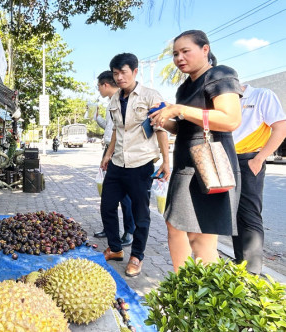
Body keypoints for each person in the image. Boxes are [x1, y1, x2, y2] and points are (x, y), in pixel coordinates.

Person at [150, 30, 242, 272]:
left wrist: (179, 108)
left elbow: (230, 120)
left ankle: (203, 298)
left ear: (205, 50)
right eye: (175, 54)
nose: (179, 58)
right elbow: (185, 129)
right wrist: (163, 121)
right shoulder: (184, 88)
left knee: (201, 238)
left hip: (209, 165)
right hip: (185, 166)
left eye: (185, 51)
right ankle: (181, 287)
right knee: (175, 227)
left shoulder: (220, 75)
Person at [101, 53, 170, 277]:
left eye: (123, 72)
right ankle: (116, 248)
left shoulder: (151, 96)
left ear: (135, 72)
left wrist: (166, 161)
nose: (119, 77)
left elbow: (160, 130)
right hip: (117, 163)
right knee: (107, 207)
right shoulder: (114, 99)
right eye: (115, 73)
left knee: (141, 214)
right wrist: (108, 155)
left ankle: (136, 256)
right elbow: (116, 131)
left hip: (141, 164)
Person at [232, 85, 286, 274]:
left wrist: (259, 158)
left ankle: (252, 274)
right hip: (226, 160)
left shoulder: (261, 95)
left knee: (249, 215)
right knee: (234, 216)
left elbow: (281, 127)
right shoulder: (224, 99)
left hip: (249, 160)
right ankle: (240, 267)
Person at [94, 70, 134, 247]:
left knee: (124, 196)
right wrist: (96, 118)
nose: (99, 91)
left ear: (105, 85)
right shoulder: (112, 102)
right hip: (110, 151)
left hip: (119, 153)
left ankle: (129, 231)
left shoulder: (123, 100)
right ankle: (110, 229)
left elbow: (120, 131)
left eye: (99, 87)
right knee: (109, 196)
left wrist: (111, 153)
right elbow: (110, 128)